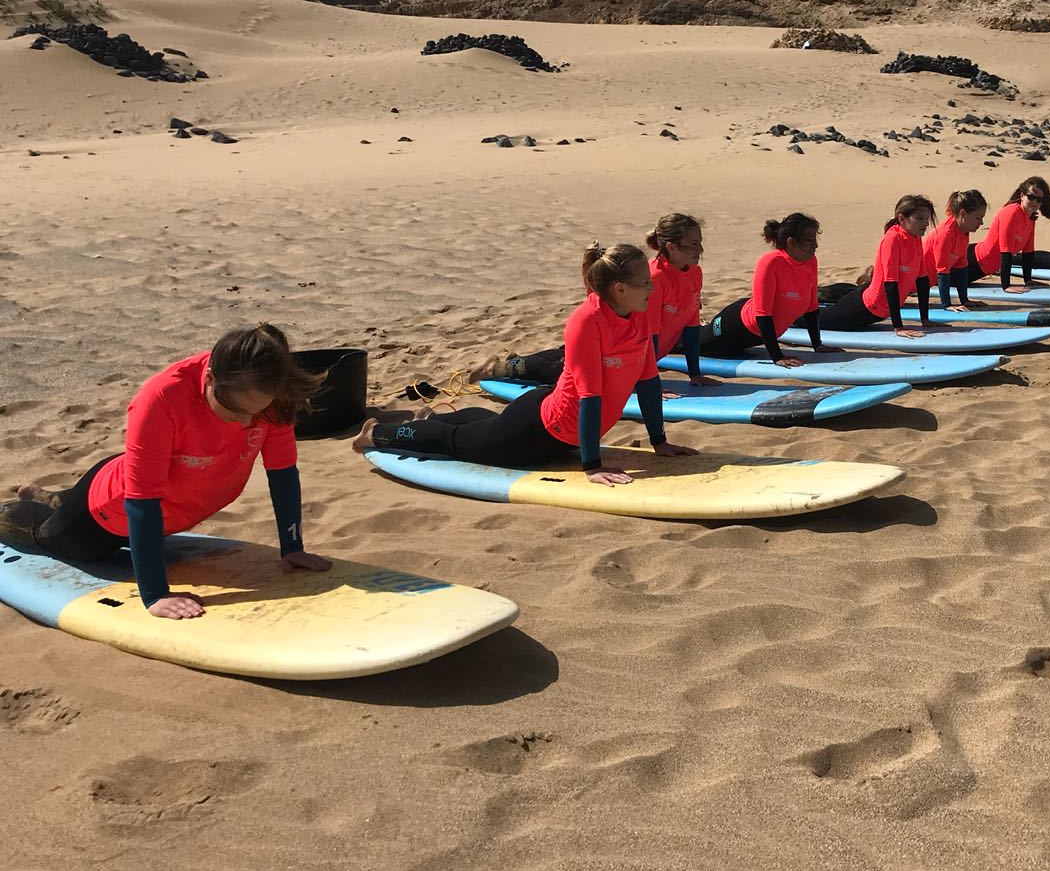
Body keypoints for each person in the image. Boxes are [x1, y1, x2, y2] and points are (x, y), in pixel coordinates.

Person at [1, 324, 331, 620]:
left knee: (70, 503)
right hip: (110, 513)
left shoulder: (268, 388)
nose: (246, 424)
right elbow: (141, 501)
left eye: (256, 413)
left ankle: (48, 496)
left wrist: (292, 547)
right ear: (210, 379)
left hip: (148, 486)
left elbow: (283, 472)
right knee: (46, 534)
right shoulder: (162, 397)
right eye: (235, 412)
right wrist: (155, 594)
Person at [357, 244, 697, 485]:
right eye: (645, 282)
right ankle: (374, 434)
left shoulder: (639, 316)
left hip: (561, 424)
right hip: (543, 430)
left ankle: (430, 418)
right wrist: (591, 466)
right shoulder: (586, 322)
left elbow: (648, 382)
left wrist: (659, 441)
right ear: (620, 289)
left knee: (489, 426)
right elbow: (590, 396)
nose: (652, 286)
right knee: (457, 441)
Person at [475, 213, 713, 387]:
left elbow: (691, 324)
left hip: (624, 356)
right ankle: (499, 368)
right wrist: (648, 382)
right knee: (555, 370)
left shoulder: (694, 273)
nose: (700, 249)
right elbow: (646, 335)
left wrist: (695, 374)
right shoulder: (654, 278)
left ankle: (515, 362)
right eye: (693, 244)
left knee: (562, 357)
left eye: (700, 241)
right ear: (671, 247)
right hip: (611, 353)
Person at [698, 213, 827, 368]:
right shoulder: (771, 262)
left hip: (757, 334)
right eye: (809, 241)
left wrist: (817, 345)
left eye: (815, 240)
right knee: (686, 344)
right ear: (791, 242)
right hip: (735, 327)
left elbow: (812, 308)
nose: (815, 245)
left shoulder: (810, 261)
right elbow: (763, 315)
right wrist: (777, 357)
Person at [814, 195, 935, 335]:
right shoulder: (893, 239)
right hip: (866, 307)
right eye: (920, 219)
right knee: (813, 320)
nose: (926, 223)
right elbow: (890, 285)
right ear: (902, 219)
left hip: (876, 307)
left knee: (830, 306)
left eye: (926, 219)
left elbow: (922, 281)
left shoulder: (915, 238)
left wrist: (925, 319)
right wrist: (898, 327)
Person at [966, 176, 1050, 293]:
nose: (1034, 202)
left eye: (1039, 199)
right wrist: (1006, 286)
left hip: (982, 268)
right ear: (1022, 196)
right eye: (1031, 197)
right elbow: (1005, 252)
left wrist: (1028, 280)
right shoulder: (1011, 213)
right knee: (944, 282)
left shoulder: (1031, 218)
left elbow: (1028, 252)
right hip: (971, 261)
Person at [925, 189, 987, 310]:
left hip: (922, 284)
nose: (981, 223)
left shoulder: (964, 231)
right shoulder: (945, 234)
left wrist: (965, 300)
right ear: (963, 214)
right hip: (909, 284)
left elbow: (961, 269)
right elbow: (942, 272)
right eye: (977, 218)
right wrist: (947, 305)